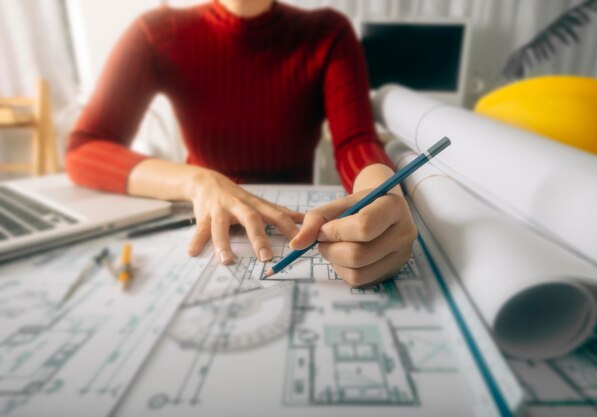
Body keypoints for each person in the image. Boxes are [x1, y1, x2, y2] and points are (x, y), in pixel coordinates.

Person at [66, 0, 417, 287]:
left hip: (292, 229)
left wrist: (384, 195)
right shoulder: (158, 32)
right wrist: (199, 180)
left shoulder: (329, 33)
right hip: (200, 225)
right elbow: (86, 148)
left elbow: (355, 141)